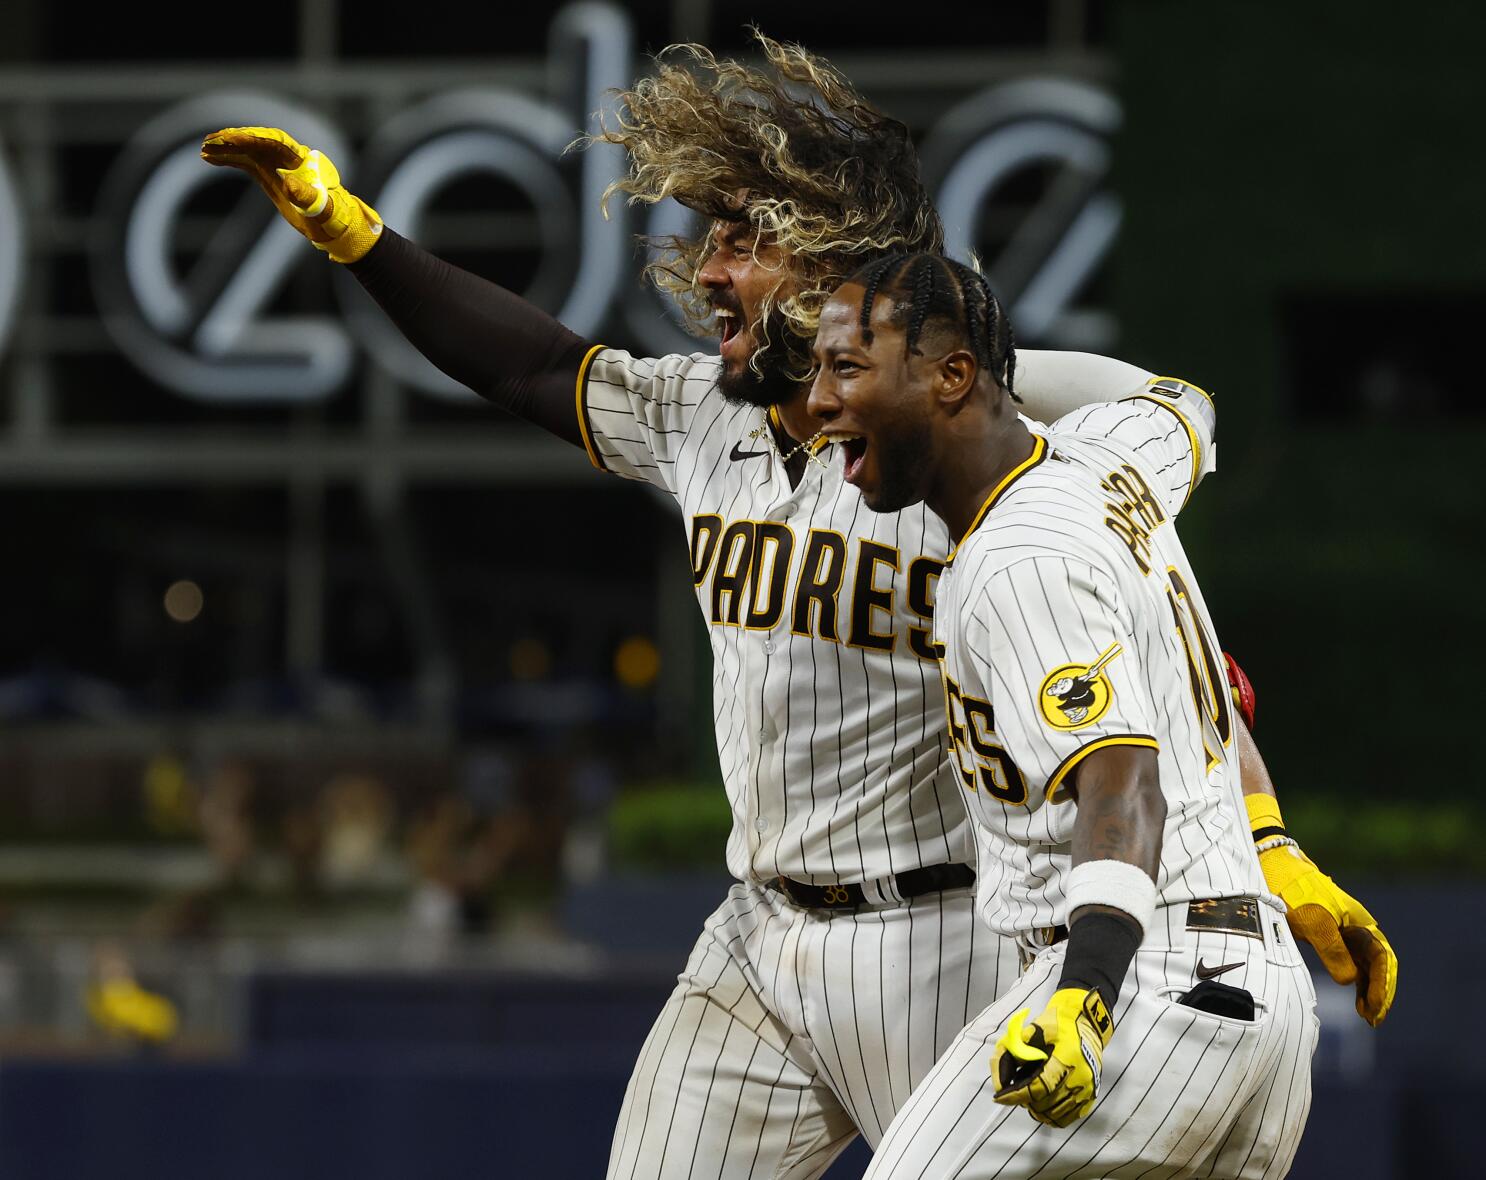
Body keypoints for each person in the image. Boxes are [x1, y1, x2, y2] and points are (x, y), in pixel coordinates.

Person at [198, 34, 1389, 1178]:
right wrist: (358, 240)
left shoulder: (959, 446)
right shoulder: (697, 420)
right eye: (709, 237)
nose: (708, 268)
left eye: (744, 241)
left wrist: (1268, 840)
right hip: (754, 937)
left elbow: (1160, 649)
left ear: (834, 262)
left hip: (945, 935)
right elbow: (525, 366)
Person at [806, 252, 1321, 1177]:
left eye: (849, 366)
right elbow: (1184, 401)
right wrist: (1273, 838)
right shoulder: (1112, 458)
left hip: (1140, 986)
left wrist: (1083, 996)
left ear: (954, 376)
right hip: (1265, 1000)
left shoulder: (1019, 557)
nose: (818, 399)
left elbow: (1124, 787)